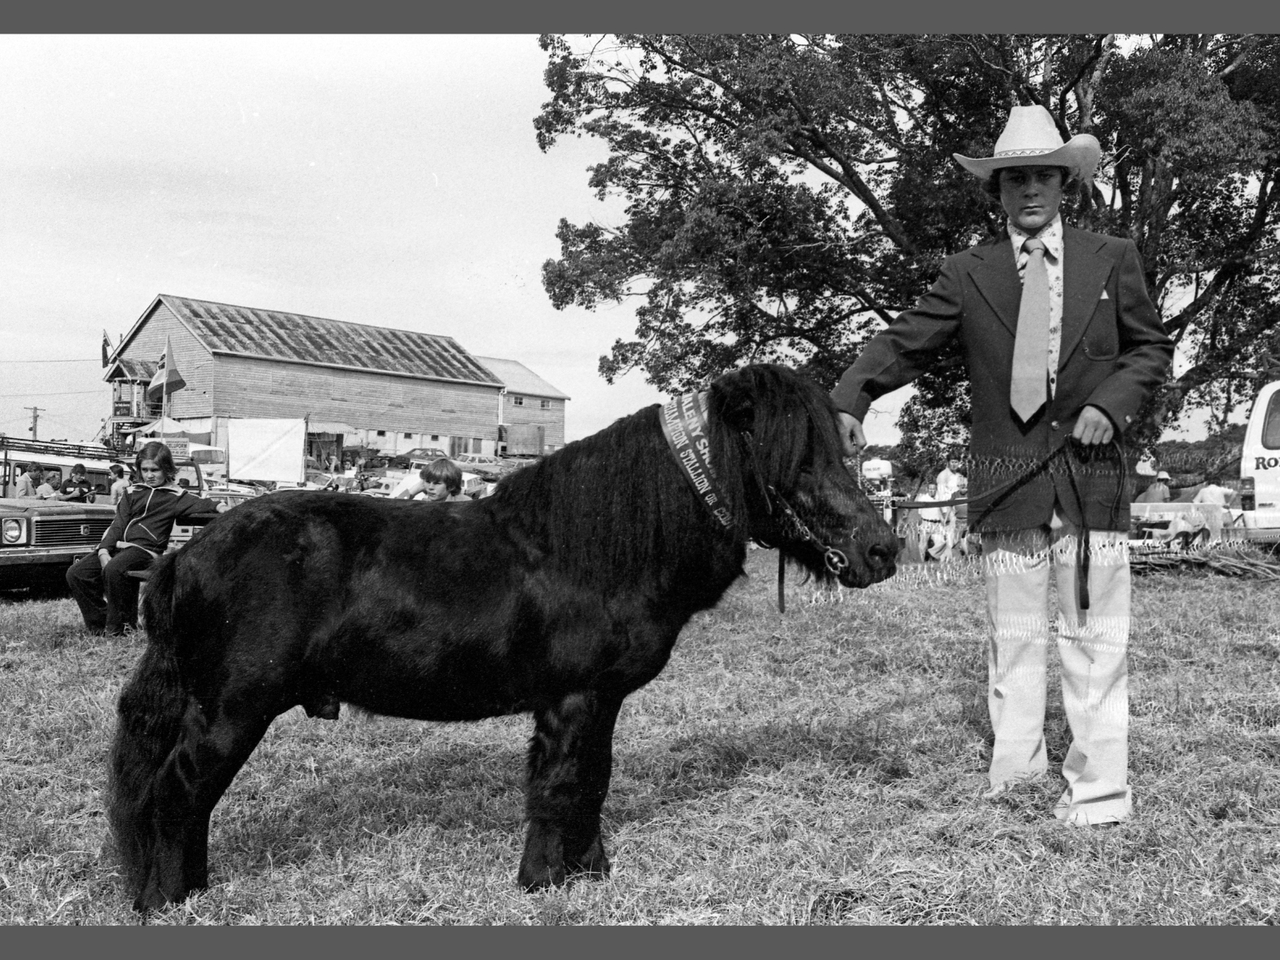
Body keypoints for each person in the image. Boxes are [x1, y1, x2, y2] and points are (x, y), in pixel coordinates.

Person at [831, 105, 1174, 826]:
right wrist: (851, 397)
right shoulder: (967, 273)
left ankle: (1100, 796)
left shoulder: (1112, 257)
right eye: (1015, 179)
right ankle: (1015, 778)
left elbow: (1150, 349)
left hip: (1094, 480)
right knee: (1013, 641)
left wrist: (1111, 404)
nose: (1030, 191)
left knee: (1095, 641)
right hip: (1004, 480)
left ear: (1064, 182)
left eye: (1043, 176)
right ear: (999, 189)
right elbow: (903, 342)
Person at [66, 441, 230, 637]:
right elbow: (118, 524)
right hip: (119, 546)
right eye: (145, 470)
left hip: (144, 550)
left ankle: (120, 629)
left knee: (114, 569)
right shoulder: (132, 492)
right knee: (76, 573)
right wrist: (103, 550)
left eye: (155, 470)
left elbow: (205, 504)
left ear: (167, 469)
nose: (149, 475)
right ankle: (100, 624)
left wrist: (220, 506)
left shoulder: (176, 496)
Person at [395, 457, 471, 502]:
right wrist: (413, 491)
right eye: (427, 482)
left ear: (451, 486)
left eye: (437, 483)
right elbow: (394, 508)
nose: (430, 487)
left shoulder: (464, 503)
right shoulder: (423, 504)